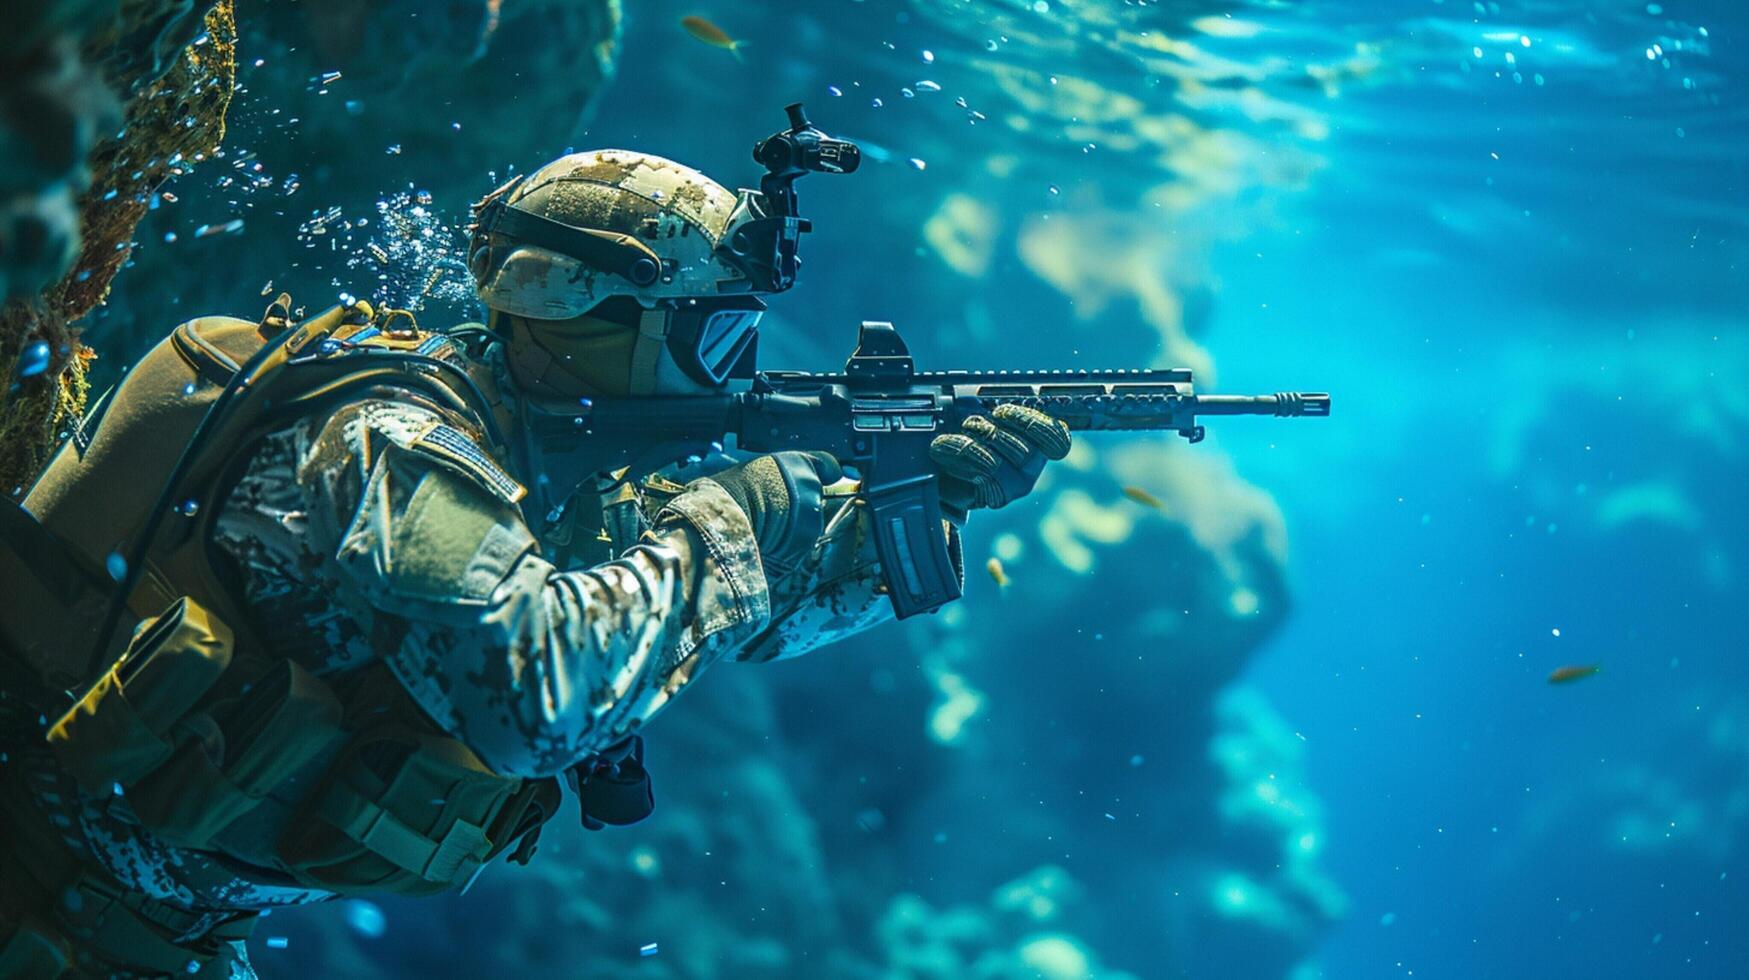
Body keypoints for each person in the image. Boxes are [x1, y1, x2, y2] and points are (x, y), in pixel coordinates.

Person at [0, 147, 1070, 977]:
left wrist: (912, 508)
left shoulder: (547, 474)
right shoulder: (391, 443)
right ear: (585, 314)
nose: (738, 376)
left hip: (128, 928)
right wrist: (735, 516)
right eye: (719, 340)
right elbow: (532, 694)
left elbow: (743, 609)